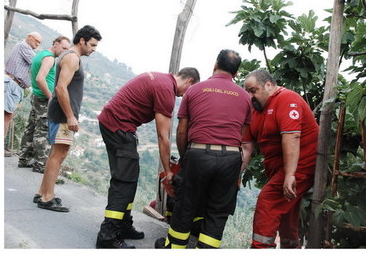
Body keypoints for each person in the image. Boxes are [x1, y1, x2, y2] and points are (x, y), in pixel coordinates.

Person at [96, 67, 201, 249]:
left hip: (115, 124)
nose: (184, 97)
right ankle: (108, 235)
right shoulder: (166, 90)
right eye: (187, 92)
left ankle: (123, 225)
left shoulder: (161, 80)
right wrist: (168, 170)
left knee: (129, 178)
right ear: (189, 82)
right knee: (124, 182)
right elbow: (163, 136)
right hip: (119, 127)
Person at [158, 51, 251, 249]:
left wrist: (186, 158)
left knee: (186, 205)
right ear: (236, 73)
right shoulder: (244, 97)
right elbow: (241, 136)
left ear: (215, 64)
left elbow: (182, 131)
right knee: (217, 212)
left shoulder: (195, 90)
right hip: (231, 158)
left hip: (199, 154)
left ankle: (174, 248)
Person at [242, 69, 319, 249]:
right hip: (278, 168)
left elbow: (292, 137)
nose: (250, 96)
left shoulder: (287, 99)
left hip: (301, 164)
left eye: (253, 90)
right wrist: (237, 173)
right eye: (247, 91)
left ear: (268, 85)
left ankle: (260, 249)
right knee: (287, 210)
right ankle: (291, 247)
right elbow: (246, 148)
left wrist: (290, 174)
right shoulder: (255, 111)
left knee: (267, 201)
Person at [35, 25, 102, 212]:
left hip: (61, 112)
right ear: (82, 40)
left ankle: (42, 192)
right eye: (92, 45)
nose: (94, 49)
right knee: (59, 154)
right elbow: (61, 88)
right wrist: (71, 117)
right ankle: (48, 198)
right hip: (64, 114)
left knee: (55, 153)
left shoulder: (69, 56)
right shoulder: (72, 58)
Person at [18, 36, 71, 173]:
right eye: (64, 48)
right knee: (42, 131)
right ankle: (40, 164)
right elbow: (40, 78)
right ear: (56, 43)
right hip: (43, 98)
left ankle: (24, 159)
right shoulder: (49, 58)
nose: (65, 51)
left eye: (67, 49)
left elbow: (34, 74)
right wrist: (50, 97)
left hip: (36, 95)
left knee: (30, 128)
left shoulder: (39, 55)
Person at [4, 31, 42, 145]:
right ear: (29, 37)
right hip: (12, 83)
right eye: (36, 41)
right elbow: (37, 62)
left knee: (7, 115)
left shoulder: (25, 48)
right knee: (6, 115)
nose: (37, 45)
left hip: (17, 86)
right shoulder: (23, 46)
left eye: (39, 43)